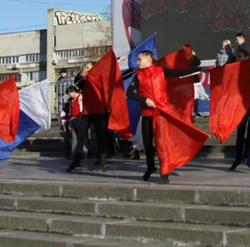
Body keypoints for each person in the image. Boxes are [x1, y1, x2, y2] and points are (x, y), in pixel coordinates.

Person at [126, 49, 201, 183]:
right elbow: (129, 93)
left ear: (148, 58)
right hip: (147, 113)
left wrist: (199, 69)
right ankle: (150, 166)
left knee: (161, 143)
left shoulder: (161, 71)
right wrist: (145, 100)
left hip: (161, 112)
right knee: (147, 143)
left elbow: (180, 73)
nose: (138, 62)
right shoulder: (138, 76)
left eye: (139, 59)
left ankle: (164, 173)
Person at [68, 61, 109, 173]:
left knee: (100, 137)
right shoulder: (84, 81)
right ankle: (76, 161)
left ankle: (102, 162)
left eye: (88, 67)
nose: (86, 69)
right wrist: (81, 74)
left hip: (98, 111)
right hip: (87, 112)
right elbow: (76, 82)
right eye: (85, 67)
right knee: (81, 136)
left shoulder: (99, 79)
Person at [62, 84, 83, 160]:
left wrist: (81, 118)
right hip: (73, 119)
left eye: (70, 93)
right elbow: (70, 111)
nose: (69, 95)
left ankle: (84, 152)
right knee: (74, 137)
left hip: (78, 118)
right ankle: (74, 152)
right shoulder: (71, 100)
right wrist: (70, 123)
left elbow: (81, 109)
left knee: (81, 136)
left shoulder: (79, 97)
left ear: (73, 92)